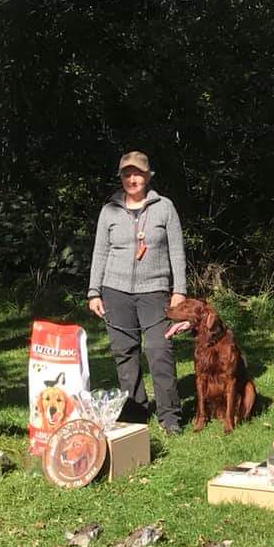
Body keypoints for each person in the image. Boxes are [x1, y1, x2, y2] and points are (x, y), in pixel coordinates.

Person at [87, 151, 187, 435]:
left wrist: (179, 290)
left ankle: (170, 417)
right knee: (124, 352)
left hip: (154, 291)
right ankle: (135, 414)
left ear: (148, 175)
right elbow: (100, 251)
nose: (133, 179)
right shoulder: (109, 210)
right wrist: (94, 292)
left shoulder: (165, 207)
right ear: (121, 177)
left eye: (138, 173)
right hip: (115, 290)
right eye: (127, 174)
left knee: (159, 350)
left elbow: (177, 251)